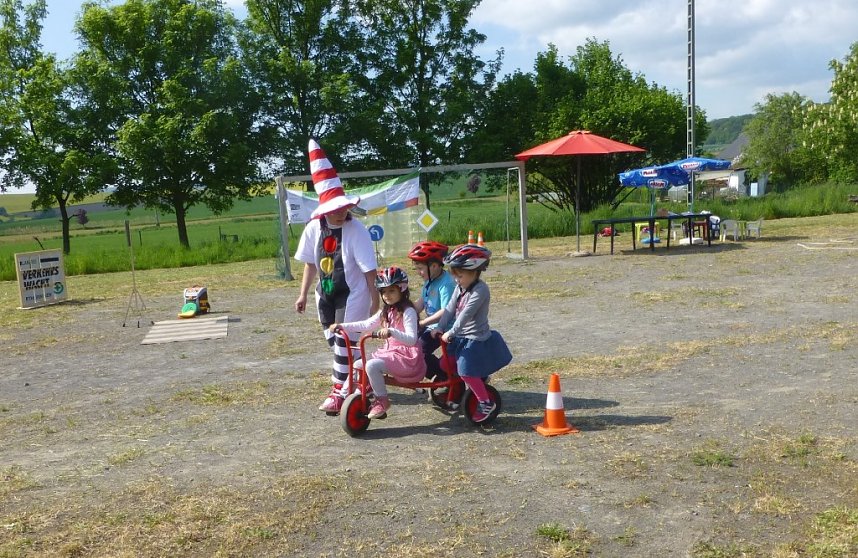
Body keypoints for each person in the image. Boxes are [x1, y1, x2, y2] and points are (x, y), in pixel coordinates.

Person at [294, 138, 379, 414]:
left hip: (353, 294)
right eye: (336, 209)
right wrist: (303, 294)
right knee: (338, 344)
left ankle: (339, 391)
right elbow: (310, 264)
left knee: (344, 340)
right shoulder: (313, 230)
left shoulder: (358, 231)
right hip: (326, 294)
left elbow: (369, 272)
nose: (342, 212)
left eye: (344, 207)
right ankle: (359, 381)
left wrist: (375, 304)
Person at [329, 267, 425, 419]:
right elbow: (366, 325)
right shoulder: (385, 311)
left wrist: (392, 331)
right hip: (391, 355)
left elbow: (412, 339)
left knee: (371, 365)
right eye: (384, 292)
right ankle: (343, 396)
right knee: (358, 364)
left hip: (407, 359)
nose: (387, 296)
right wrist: (342, 326)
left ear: (402, 289)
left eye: (392, 291)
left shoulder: (408, 311)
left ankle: (382, 401)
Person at [434, 244, 512, 423]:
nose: (456, 279)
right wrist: (440, 326)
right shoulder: (460, 287)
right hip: (460, 338)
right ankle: (479, 378)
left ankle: (486, 403)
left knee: (466, 372)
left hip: (474, 340)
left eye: (460, 275)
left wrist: (451, 332)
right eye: (455, 275)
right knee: (446, 364)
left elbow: (465, 315)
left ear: (475, 272)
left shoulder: (480, 290)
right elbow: (450, 309)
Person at [407, 241, 456, 381]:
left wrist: (422, 323)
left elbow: (446, 311)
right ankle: (440, 376)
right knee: (409, 344)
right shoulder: (429, 280)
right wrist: (403, 308)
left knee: (420, 351)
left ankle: (445, 377)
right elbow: (420, 304)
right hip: (431, 325)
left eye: (420, 268)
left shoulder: (446, 283)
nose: (418, 273)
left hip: (445, 327)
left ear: (434, 266)